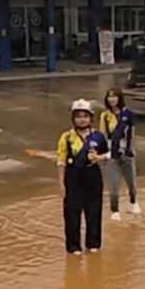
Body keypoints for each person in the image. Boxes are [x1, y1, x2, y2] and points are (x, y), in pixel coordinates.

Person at [57, 99, 111, 255]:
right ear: (73, 119)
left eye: (85, 116)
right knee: (72, 213)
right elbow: (60, 161)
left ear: (90, 118)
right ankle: (73, 247)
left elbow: (110, 154)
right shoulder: (66, 137)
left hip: (92, 175)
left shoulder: (98, 137)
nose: (82, 119)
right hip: (73, 176)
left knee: (94, 211)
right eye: (78, 116)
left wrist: (100, 158)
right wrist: (61, 184)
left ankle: (93, 243)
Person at [99, 87, 140, 222]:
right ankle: (115, 210)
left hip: (127, 153)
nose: (112, 99)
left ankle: (134, 202)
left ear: (119, 98)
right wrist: (103, 155)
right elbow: (102, 136)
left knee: (131, 181)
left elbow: (132, 134)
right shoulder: (104, 116)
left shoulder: (128, 114)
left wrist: (131, 151)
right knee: (113, 184)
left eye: (114, 96)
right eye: (109, 97)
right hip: (112, 153)